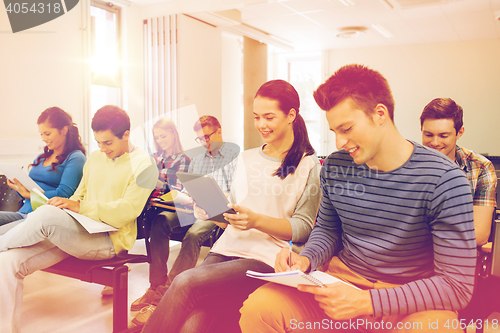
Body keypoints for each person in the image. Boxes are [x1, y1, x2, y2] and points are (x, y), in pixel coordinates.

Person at [239, 65, 476, 333]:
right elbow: (327, 230)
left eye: (347, 128)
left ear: (379, 114)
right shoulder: (335, 166)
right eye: (334, 131)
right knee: (260, 310)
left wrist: (368, 302)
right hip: (342, 281)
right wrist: (306, 260)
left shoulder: (445, 179)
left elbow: (456, 286)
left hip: (409, 297)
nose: (339, 142)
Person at [141, 79, 321, 333]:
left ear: (291, 115)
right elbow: (233, 215)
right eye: (257, 117)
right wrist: (211, 211)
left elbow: (303, 228)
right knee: (193, 325)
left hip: (266, 258)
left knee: (184, 281)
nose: (261, 125)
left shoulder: (308, 166)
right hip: (227, 248)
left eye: (269, 117)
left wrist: (256, 221)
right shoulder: (246, 158)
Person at [0, 105, 157, 333]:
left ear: (126, 135)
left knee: (45, 214)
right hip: (78, 231)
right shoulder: (95, 159)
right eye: (98, 142)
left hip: (109, 240)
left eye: (108, 143)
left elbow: (128, 210)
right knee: (7, 262)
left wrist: (79, 206)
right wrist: (68, 205)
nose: (102, 149)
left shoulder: (145, 165)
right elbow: (78, 195)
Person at [131, 115, 239, 326]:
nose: (204, 142)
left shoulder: (235, 158)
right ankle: (155, 286)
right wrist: (188, 198)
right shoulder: (197, 159)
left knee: (194, 235)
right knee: (160, 222)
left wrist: (218, 201)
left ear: (219, 131)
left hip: (216, 211)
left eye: (207, 136)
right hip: (194, 206)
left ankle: (164, 295)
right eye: (200, 139)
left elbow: (235, 194)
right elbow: (190, 186)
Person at [420, 98, 497, 246]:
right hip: (410, 260)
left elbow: (480, 234)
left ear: (459, 132)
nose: (435, 142)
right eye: (428, 135)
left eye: (443, 136)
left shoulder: (480, 167)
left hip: (458, 258)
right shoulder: (406, 163)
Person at [0, 107, 86, 229]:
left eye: (47, 133)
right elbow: (27, 191)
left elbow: (64, 195)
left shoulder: (76, 157)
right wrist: (19, 188)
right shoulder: (41, 157)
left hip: (42, 218)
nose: (43, 139)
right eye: (41, 134)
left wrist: (29, 195)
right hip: (23, 213)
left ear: (64, 130)